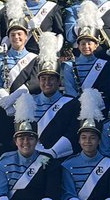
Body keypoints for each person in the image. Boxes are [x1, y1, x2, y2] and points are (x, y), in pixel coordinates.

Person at [0, 0, 39, 140]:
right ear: (8, 37)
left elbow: (35, 83)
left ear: (26, 35)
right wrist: (7, 103)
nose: (16, 37)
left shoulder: (34, 59)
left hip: (29, 108)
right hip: (5, 111)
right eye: (13, 34)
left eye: (19, 34)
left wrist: (14, 98)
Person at [32, 32, 77, 160]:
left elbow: (72, 132)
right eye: (43, 79)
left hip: (60, 156)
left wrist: (53, 152)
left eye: (51, 78)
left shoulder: (70, 103)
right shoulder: (29, 102)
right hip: (32, 157)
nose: (47, 83)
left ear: (59, 81)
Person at [61, 4, 110, 100]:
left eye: (90, 43)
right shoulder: (69, 66)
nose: (86, 47)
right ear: (78, 46)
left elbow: (105, 91)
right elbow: (70, 91)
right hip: (76, 107)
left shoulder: (105, 65)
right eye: (83, 44)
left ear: (96, 45)